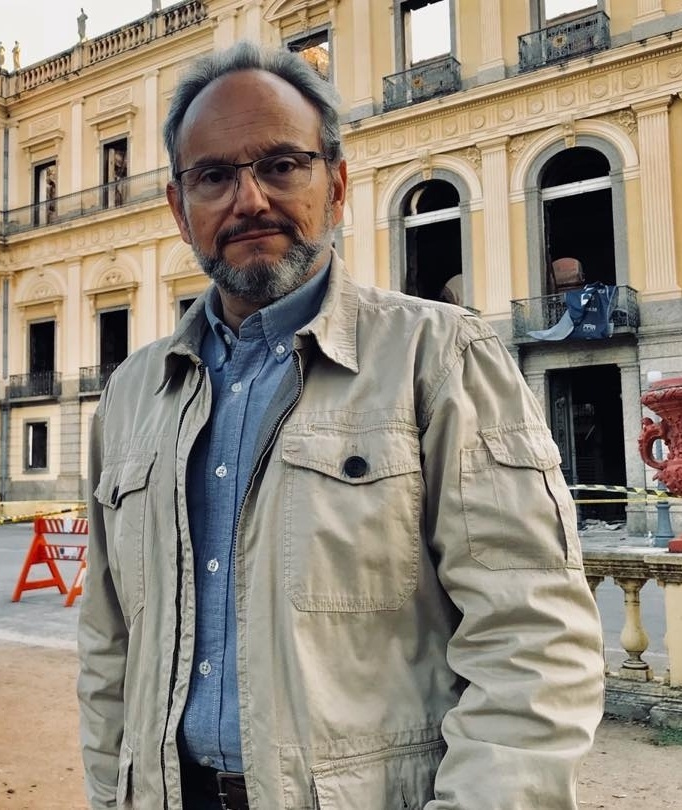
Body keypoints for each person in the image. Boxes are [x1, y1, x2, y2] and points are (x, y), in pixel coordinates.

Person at [77, 41, 605, 810]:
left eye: (280, 165)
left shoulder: (440, 357)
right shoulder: (132, 393)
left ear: (337, 184)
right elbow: (107, 642)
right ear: (178, 208)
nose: (248, 199)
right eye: (213, 176)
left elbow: (531, 641)